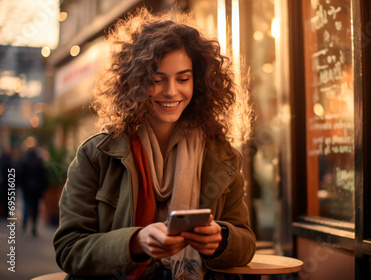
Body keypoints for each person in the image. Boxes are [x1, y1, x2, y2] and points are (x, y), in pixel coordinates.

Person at [53, 8, 256, 280]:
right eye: (157, 80)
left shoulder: (223, 157)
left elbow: (246, 241)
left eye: (183, 79)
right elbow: (69, 249)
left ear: (199, 82)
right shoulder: (97, 154)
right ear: (134, 83)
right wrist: (135, 243)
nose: (171, 91)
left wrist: (222, 240)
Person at [17, 146, 49, 236]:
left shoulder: (24, 161)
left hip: (27, 188)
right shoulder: (39, 161)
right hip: (37, 189)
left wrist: (21, 186)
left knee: (26, 205)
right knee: (35, 207)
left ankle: (24, 224)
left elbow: (20, 175)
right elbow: (44, 176)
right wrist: (44, 188)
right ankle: (34, 226)